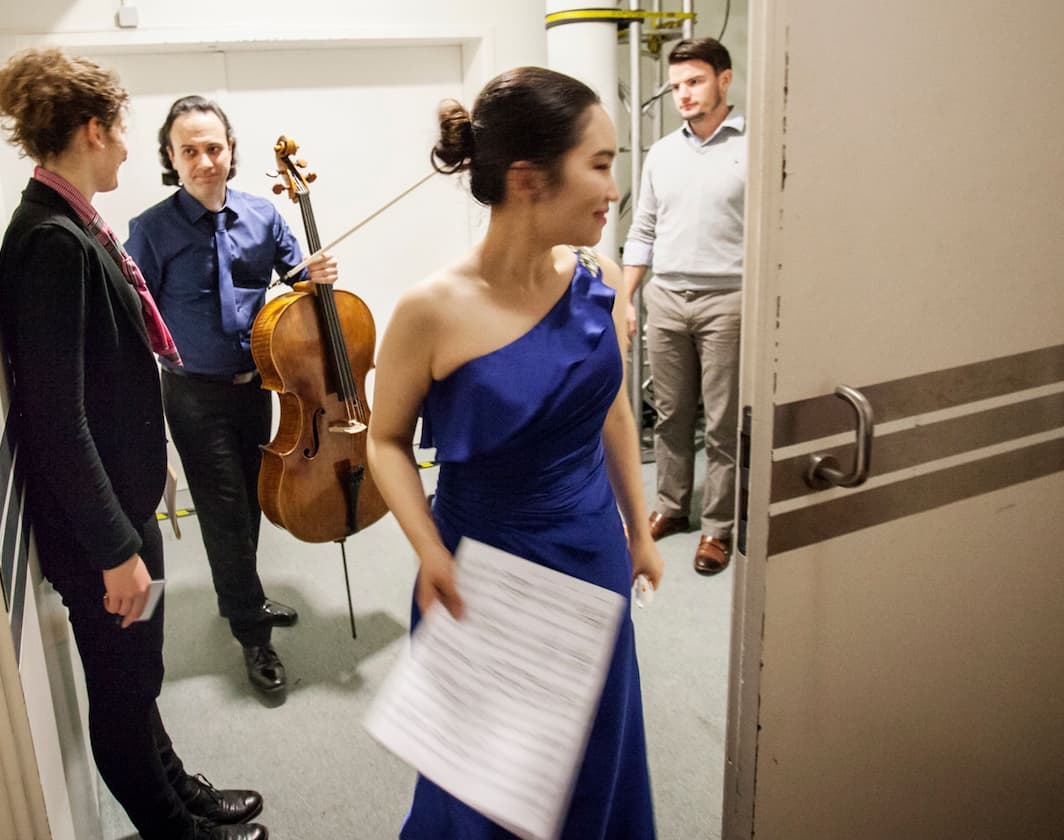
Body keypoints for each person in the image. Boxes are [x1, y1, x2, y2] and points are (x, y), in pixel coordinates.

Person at [367, 66, 664, 838]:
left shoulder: (595, 277)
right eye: (599, 164)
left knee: (595, 754)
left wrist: (637, 530)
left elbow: (615, 414)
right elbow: (386, 440)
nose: (614, 186)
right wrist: (428, 550)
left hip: (591, 547)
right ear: (529, 179)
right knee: (488, 781)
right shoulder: (431, 309)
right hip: (482, 568)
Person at [0, 49, 268, 840]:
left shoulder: (72, 221)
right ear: (90, 129)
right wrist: (115, 548)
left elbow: (105, 381)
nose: (122, 150)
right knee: (120, 687)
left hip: (120, 493)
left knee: (140, 675)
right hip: (98, 528)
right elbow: (55, 416)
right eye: (119, 134)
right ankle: (175, 829)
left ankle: (183, 793)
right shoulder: (51, 243)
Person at [124, 96, 337, 696]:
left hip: (259, 386)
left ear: (230, 151)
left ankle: (242, 595)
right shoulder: (151, 229)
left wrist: (314, 276)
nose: (203, 161)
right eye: (188, 150)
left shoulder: (262, 217)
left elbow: (297, 282)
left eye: (212, 148)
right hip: (192, 392)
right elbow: (135, 318)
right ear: (171, 157)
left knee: (251, 499)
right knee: (221, 509)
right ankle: (252, 635)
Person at [621, 37, 747, 576]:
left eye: (694, 82)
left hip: (730, 299)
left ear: (724, 79)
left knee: (720, 423)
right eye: (675, 87)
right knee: (670, 416)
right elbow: (643, 229)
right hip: (666, 298)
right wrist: (625, 297)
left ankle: (718, 527)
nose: (684, 95)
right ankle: (672, 506)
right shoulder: (663, 153)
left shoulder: (753, 146)